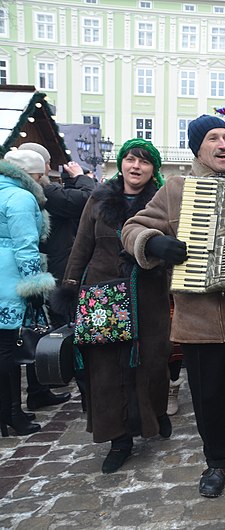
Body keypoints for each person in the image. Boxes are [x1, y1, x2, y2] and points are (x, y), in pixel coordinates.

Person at [121, 115, 225, 529]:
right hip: (197, 321)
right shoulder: (176, 189)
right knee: (208, 400)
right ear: (198, 148)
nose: (223, 144)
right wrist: (154, 242)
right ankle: (217, 461)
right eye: (213, 138)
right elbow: (131, 228)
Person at [60, 139, 171, 472]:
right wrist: (70, 289)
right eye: (130, 159)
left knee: (152, 361)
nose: (135, 166)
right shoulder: (97, 199)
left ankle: (156, 415)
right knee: (106, 370)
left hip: (148, 294)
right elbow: (81, 246)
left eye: (144, 161)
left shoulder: (161, 203)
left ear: (153, 169)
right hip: (103, 295)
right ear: (120, 163)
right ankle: (118, 439)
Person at [18, 143, 95, 410]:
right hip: (55, 270)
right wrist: (81, 177)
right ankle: (63, 379)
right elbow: (88, 200)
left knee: (37, 331)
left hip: (39, 271)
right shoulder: (44, 191)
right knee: (61, 329)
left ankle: (40, 389)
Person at [0, 150, 55, 437]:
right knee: (8, 350)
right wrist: (35, 285)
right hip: (9, 280)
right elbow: (25, 247)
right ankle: (11, 414)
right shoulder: (20, 198)